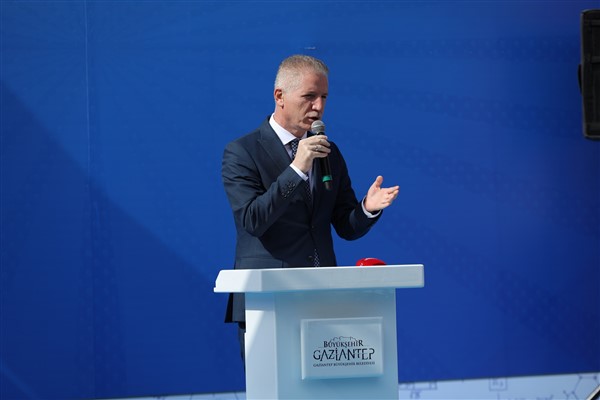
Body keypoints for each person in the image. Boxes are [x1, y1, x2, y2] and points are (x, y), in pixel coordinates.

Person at [221, 54, 399, 360]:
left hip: (323, 296)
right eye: (309, 96)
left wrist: (367, 208)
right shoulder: (242, 152)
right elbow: (253, 220)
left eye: (324, 97)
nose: (318, 107)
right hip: (268, 301)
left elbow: (345, 226)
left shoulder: (329, 151)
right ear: (280, 96)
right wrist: (297, 169)